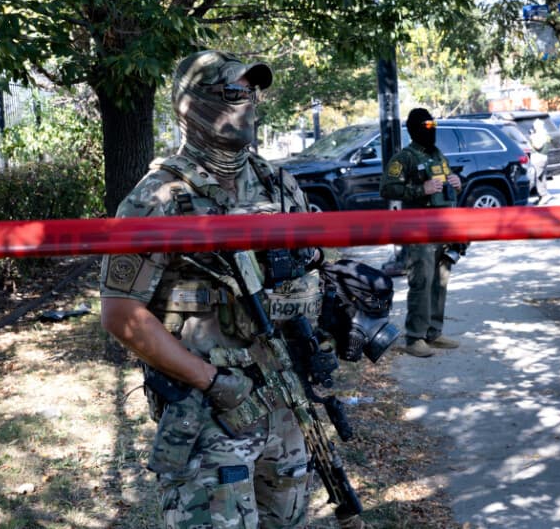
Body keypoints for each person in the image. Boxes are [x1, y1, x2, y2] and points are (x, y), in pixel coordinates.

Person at [99, 50, 365, 529]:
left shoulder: (279, 186)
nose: (246, 103)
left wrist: (330, 323)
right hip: (209, 412)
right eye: (231, 93)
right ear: (191, 104)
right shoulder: (156, 199)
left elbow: (315, 266)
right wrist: (211, 381)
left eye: (251, 92)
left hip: (286, 403)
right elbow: (120, 313)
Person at [380, 108, 462, 358]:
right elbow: (387, 189)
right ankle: (414, 337)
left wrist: (457, 182)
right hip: (420, 229)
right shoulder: (404, 158)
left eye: (433, 125)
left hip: (444, 227)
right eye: (426, 127)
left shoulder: (437, 155)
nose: (431, 131)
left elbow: (446, 183)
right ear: (414, 130)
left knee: (441, 280)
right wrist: (420, 189)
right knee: (422, 281)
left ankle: (433, 332)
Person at [528, 118, 551, 205]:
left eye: (534, 126)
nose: (533, 128)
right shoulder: (545, 133)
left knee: (535, 178)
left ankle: (544, 195)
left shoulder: (540, 134)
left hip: (539, 159)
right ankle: (542, 196)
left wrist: (531, 138)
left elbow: (538, 146)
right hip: (542, 158)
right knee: (541, 177)